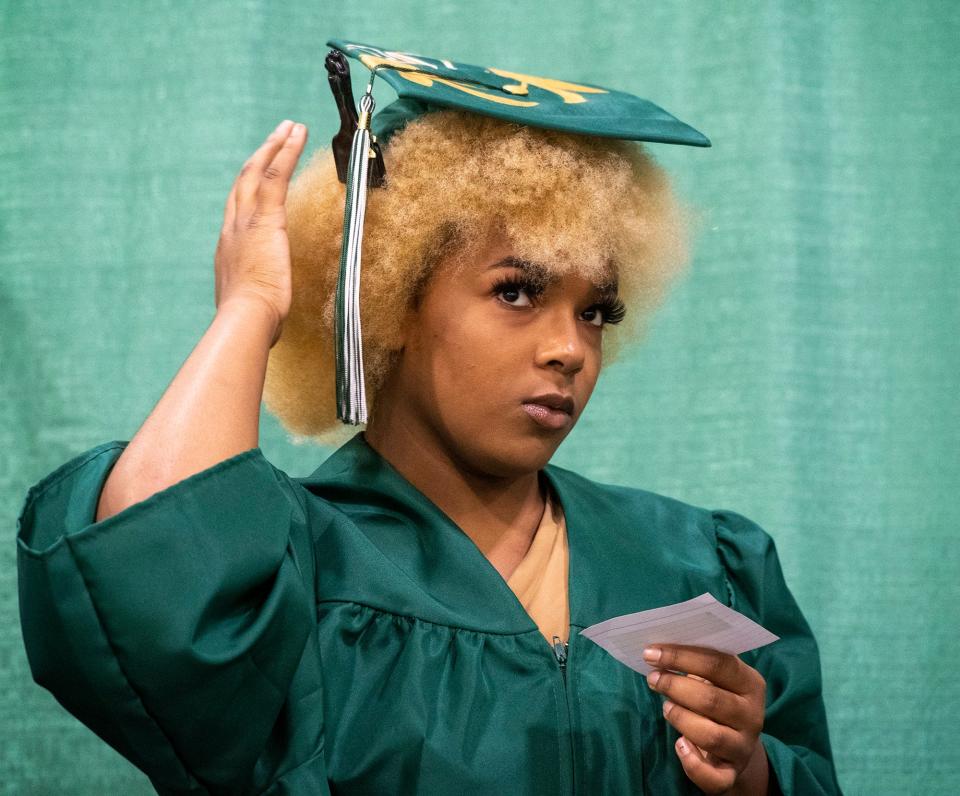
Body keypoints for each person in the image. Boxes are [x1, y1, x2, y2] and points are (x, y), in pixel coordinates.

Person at [16, 41, 842, 795]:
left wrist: (757, 775)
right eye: (516, 291)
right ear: (391, 298)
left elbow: (807, 769)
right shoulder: (292, 568)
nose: (570, 349)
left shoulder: (701, 562)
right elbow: (145, 579)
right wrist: (253, 308)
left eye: (597, 311)